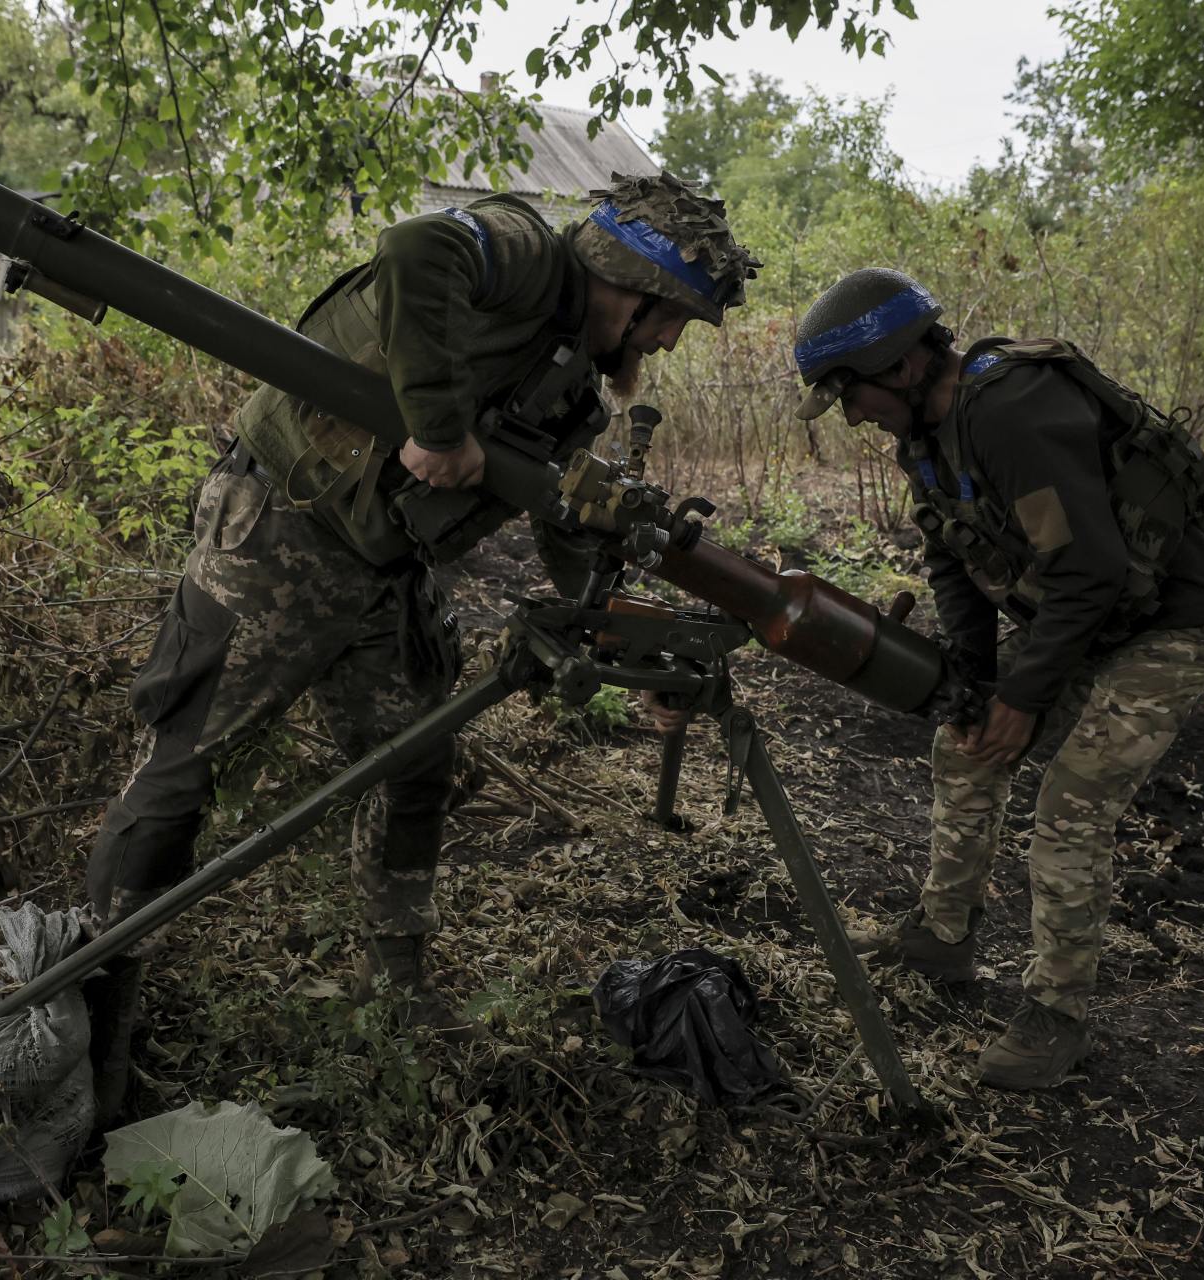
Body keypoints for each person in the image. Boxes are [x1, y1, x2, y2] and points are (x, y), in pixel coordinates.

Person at [82, 174, 758, 1098]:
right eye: (670, 319)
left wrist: (624, 642)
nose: (669, 342)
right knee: (182, 770)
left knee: (415, 761)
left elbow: (563, 524)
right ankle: (91, 1017)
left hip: (385, 571)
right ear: (631, 285)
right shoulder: (523, 252)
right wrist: (439, 429)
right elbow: (414, 250)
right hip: (281, 531)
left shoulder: (574, 393)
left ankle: (394, 988)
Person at [791, 268, 1204, 1089]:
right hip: (1090, 616)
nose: (853, 413)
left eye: (852, 392)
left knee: (1069, 809)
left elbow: (1091, 569)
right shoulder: (924, 439)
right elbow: (953, 564)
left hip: (1171, 623)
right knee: (963, 745)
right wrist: (975, 686)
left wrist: (1024, 696)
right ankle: (944, 934)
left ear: (900, 367)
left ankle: (1058, 1016)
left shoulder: (1011, 412)